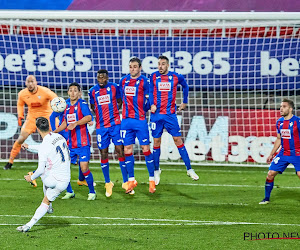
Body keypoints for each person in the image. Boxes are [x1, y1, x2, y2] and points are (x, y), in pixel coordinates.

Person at [149, 55, 199, 185]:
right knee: (156, 142)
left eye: (163, 64)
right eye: (159, 64)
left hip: (170, 115)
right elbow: (150, 91)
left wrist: (184, 102)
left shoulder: (176, 76)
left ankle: (189, 169)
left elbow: (185, 86)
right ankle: (156, 170)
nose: (160, 66)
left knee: (177, 139)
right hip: (156, 115)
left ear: (168, 65)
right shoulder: (153, 76)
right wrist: (151, 104)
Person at [16, 117, 70, 232]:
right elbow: (46, 148)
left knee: (43, 174)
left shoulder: (44, 147)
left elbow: (40, 169)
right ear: (49, 126)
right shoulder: (59, 137)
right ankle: (49, 206)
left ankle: (28, 225)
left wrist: (31, 177)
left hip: (55, 181)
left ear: (37, 129)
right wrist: (30, 146)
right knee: (46, 173)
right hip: (65, 178)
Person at [89, 69, 130, 197]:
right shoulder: (92, 91)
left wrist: (113, 114)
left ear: (107, 78)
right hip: (101, 127)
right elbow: (92, 107)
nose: (101, 80)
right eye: (99, 77)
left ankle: (126, 181)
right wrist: (101, 116)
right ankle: (108, 182)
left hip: (115, 125)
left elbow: (119, 101)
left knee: (120, 150)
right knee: (103, 153)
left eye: (103, 77)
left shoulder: (114, 87)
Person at [3, 75, 57, 170]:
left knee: (57, 137)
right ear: (25, 83)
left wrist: (58, 112)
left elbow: (56, 99)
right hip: (32, 117)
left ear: (36, 82)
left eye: (32, 81)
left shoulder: (45, 91)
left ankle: (66, 158)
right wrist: (20, 115)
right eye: (28, 82)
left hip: (47, 116)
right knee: (20, 139)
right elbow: (20, 104)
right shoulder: (22, 94)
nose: (30, 84)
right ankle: (10, 162)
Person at [119, 57, 156, 194]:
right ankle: (131, 180)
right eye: (130, 66)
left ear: (140, 68)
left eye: (135, 66)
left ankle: (152, 180)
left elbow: (150, 98)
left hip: (140, 120)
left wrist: (149, 106)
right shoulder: (123, 81)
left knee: (146, 148)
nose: (132, 69)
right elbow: (120, 98)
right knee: (127, 149)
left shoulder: (145, 82)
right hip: (126, 121)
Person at [54, 82, 96, 201]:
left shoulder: (82, 104)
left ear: (79, 93)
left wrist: (76, 123)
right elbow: (64, 123)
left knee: (84, 168)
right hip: (70, 144)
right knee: (63, 168)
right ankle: (69, 192)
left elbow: (89, 117)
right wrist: (55, 132)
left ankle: (92, 192)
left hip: (83, 143)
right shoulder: (65, 105)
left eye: (75, 90)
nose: (72, 93)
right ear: (68, 92)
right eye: (70, 90)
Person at [259, 99, 300, 204]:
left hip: (297, 153)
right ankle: (266, 198)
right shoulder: (279, 122)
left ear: (290, 109)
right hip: (283, 153)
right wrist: (272, 153)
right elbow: (279, 139)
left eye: (284, 106)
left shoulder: (297, 121)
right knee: (270, 173)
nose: (281, 108)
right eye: (281, 106)